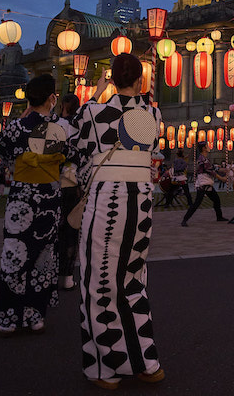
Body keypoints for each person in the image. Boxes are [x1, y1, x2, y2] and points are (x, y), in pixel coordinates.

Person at [72, 54, 165, 389]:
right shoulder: (152, 113)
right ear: (141, 79)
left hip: (107, 198)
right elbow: (149, 145)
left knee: (98, 280)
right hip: (140, 197)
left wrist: (97, 94)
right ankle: (146, 361)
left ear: (112, 77)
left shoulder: (93, 112)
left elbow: (76, 145)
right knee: (132, 277)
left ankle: (106, 366)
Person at [0, 75, 68, 334]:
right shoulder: (62, 127)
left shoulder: (17, 126)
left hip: (22, 195)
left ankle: (9, 318)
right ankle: (35, 315)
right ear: (52, 98)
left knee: (15, 252)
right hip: (49, 195)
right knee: (43, 254)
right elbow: (74, 154)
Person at [55, 93, 83, 292]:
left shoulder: (55, 124)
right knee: (71, 229)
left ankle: (48, 272)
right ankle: (66, 275)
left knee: (52, 228)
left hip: (52, 180)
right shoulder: (81, 128)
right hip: (74, 182)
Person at [182, 141, 227, 226]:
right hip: (204, 183)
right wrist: (221, 178)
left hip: (207, 183)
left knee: (216, 199)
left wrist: (223, 169)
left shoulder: (204, 159)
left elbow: (212, 167)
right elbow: (210, 171)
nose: (209, 147)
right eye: (207, 146)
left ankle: (219, 217)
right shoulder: (202, 159)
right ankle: (184, 220)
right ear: (203, 148)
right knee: (197, 203)